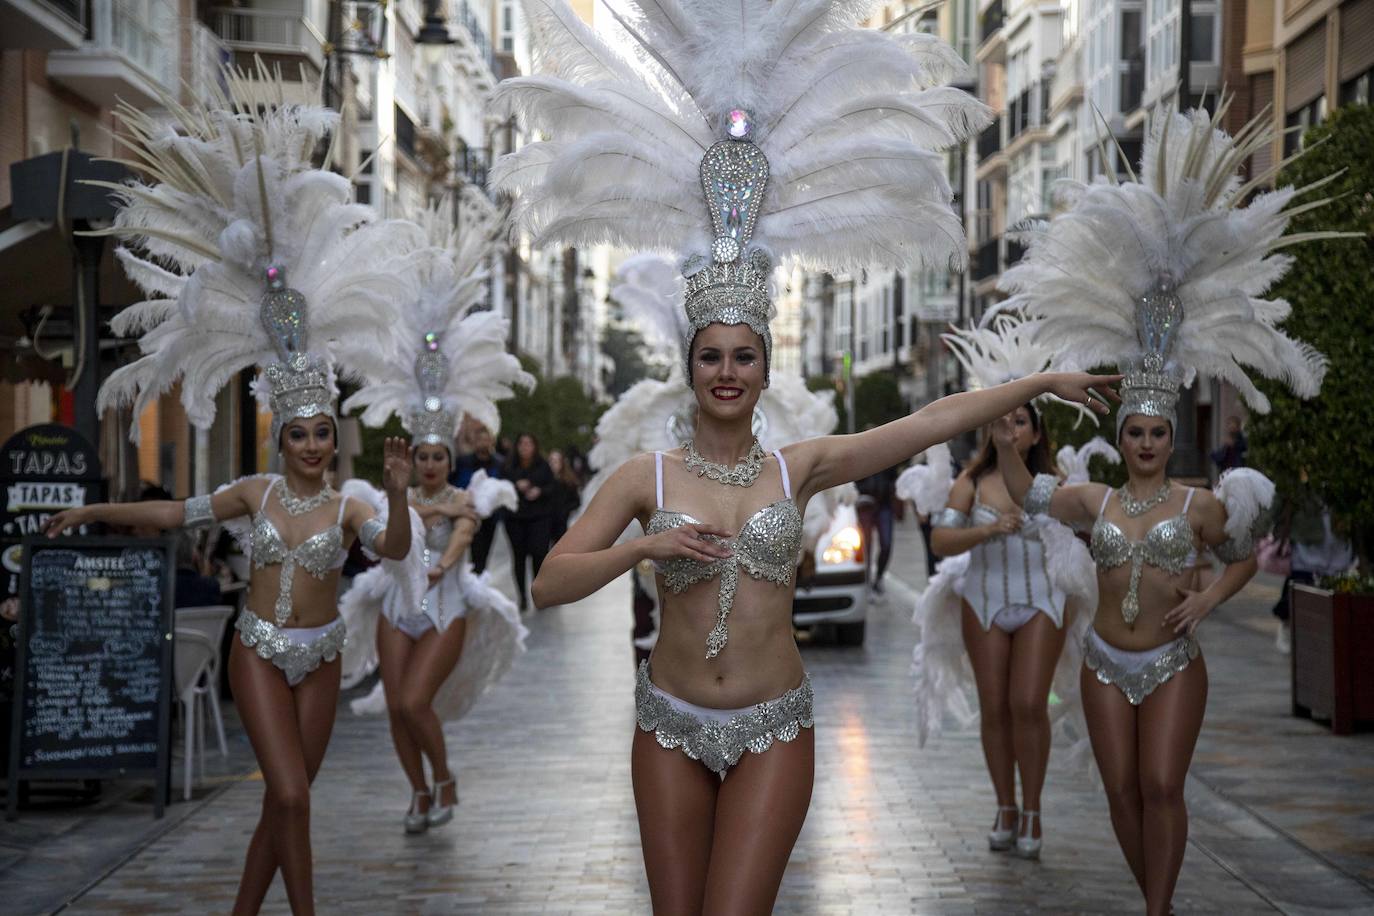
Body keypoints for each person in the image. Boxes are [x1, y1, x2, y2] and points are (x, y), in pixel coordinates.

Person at [494, 4, 1112, 907]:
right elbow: (550, 583)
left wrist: (1033, 383)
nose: (728, 372)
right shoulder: (645, 480)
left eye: (745, 355)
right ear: (689, 364)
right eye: (712, 355)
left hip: (775, 725)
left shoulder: (803, 466)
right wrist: (643, 548)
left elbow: (929, 422)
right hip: (666, 725)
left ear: (765, 365)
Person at [44, 86, 421, 915]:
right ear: (281, 438)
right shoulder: (253, 493)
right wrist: (94, 512)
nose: (316, 446)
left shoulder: (352, 501)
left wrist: (395, 498)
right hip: (256, 651)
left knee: (286, 800)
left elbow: (393, 553)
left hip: (319, 654)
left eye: (324, 432)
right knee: (287, 794)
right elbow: (175, 515)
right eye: (302, 435)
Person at [994, 100, 1340, 916]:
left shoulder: (1202, 505)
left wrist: (1210, 598)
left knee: (1160, 783)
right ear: (1122, 434)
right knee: (1119, 789)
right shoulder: (1095, 497)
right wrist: (1007, 434)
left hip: (1174, 664)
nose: (1147, 442)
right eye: (1135, 431)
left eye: (1157, 431)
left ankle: (1159, 909)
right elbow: (1027, 496)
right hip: (1105, 663)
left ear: (1170, 433)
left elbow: (1247, 555)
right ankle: (1154, 893)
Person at [336, 203, 531, 833]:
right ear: (411, 457)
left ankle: (444, 779)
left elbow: (457, 540)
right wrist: (418, 509)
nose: (426, 462)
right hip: (397, 604)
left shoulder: (466, 498)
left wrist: (440, 551)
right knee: (396, 706)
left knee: (419, 700)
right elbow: (394, 533)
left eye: (436, 455)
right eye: (418, 455)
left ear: (449, 455)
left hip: (445, 604)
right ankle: (417, 792)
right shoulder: (403, 497)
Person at [506, 434, 555, 612]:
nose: (525, 447)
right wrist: (516, 485)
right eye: (522, 443)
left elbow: (552, 487)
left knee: (539, 554)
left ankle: (538, 593)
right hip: (515, 518)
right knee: (518, 558)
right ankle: (522, 597)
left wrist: (539, 491)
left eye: (529, 443)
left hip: (539, 517)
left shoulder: (543, 466)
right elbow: (501, 487)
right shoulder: (509, 467)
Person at [449, 424, 506, 573]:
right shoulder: (463, 462)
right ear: (474, 442)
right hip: (468, 512)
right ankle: (474, 577)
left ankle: (479, 578)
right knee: (473, 550)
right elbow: (453, 483)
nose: (483, 443)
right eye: (480, 440)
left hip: (491, 515)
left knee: (485, 551)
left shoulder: (500, 463)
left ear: (492, 442)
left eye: (486, 440)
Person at [854, 458, 897, 593]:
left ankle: (878, 577)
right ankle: (866, 581)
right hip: (864, 503)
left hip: (884, 503)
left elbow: (893, 474)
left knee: (886, 543)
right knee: (865, 546)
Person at [546, 449, 583, 544]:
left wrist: (565, 510)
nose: (553, 464)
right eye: (550, 461)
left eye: (556, 461)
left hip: (561, 522)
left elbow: (576, 501)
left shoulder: (569, 482)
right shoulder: (544, 481)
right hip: (545, 521)